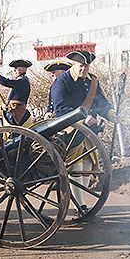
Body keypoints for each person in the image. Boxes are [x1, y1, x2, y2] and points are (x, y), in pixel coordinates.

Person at [50, 50, 116, 214]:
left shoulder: (92, 81)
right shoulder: (62, 82)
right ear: (73, 64)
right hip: (70, 131)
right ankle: (79, 205)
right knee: (75, 166)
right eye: (81, 66)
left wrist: (111, 114)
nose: (84, 70)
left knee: (87, 165)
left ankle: (80, 201)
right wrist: (82, 119)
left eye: (86, 67)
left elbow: (101, 102)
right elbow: (60, 109)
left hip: (89, 131)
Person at [0, 59, 33, 127]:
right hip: (13, 111)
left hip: (17, 112)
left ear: (24, 69)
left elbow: (6, 82)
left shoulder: (23, 81)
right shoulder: (19, 80)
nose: (14, 70)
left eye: (16, 68)